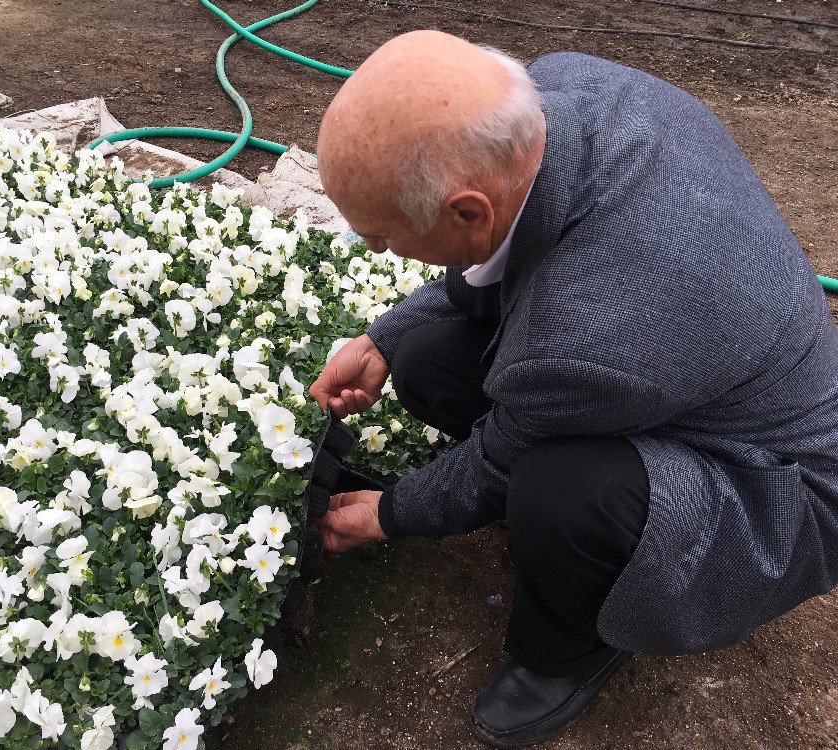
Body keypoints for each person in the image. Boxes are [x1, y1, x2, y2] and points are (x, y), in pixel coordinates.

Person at [307, 29, 838, 748]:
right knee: (430, 361)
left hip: (774, 488)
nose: (377, 249)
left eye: (381, 236)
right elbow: (499, 259)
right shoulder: (564, 89)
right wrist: (384, 337)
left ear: (465, 210)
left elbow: (501, 458)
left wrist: (391, 514)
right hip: (678, 362)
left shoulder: (583, 337)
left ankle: (570, 646)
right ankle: (575, 529)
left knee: (557, 492)